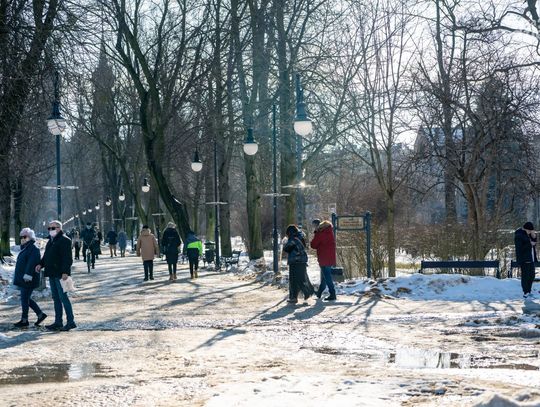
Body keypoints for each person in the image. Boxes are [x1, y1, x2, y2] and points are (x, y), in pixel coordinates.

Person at [35, 220, 76, 331]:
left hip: (60, 274)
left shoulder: (65, 240)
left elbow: (67, 258)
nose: (50, 230)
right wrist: (40, 264)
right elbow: (46, 256)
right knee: (56, 298)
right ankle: (58, 322)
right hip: (51, 273)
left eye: (53, 228)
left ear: (59, 228)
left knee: (63, 298)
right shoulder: (51, 241)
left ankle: (71, 322)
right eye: (49, 228)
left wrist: (65, 272)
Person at [13, 228, 47, 328]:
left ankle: (25, 320)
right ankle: (40, 314)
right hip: (24, 278)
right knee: (26, 298)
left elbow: (31, 264)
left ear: (30, 237)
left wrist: (27, 276)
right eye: (21, 237)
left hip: (28, 278)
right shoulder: (26, 247)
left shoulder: (33, 248)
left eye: (25, 237)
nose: (22, 239)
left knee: (25, 299)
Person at [283, 224, 314, 304]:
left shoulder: (293, 239)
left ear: (289, 232)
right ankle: (301, 295)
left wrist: (285, 242)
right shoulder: (301, 236)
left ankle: (299, 296)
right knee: (301, 278)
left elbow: (286, 248)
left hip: (295, 261)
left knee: (294, 280)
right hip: (302, 261)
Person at [311, 219, 337, 301]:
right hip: (330, 257)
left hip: (323, 257)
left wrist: (316, 233)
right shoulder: (330, 232)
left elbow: (313, 245)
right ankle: (319, 293)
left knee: (327, 276)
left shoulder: (320, 233)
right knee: (325, 276)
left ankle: (332, 293)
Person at [515, 221, 538, 299]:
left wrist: (534, 236)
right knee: (525, 276)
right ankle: (526, 292)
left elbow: (534, 242)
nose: (530, 232)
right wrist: (530, 244)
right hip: (524, 259)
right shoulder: (519, 235)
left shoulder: (528, 234)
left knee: (532, 275)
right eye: (529, 230)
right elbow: (519, 248)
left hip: (531, 258)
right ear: (525, 229)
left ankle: (529, 290)